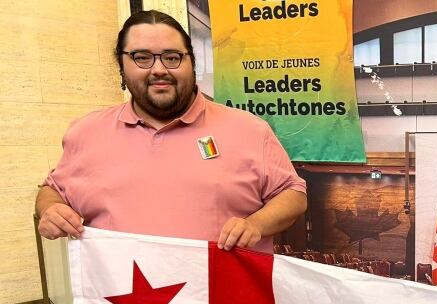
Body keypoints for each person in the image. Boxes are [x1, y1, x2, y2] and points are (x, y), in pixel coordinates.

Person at [36, 10, 306, 252]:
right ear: (122, 66)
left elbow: (293, 194)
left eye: (172, 57)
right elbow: (53, 189)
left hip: (221, 300)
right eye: (141, 57)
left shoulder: (249, 129)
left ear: (192, 63)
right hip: (128, 301)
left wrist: (256, 224)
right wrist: (50, 209)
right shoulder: (86, 132)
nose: (159, 69)